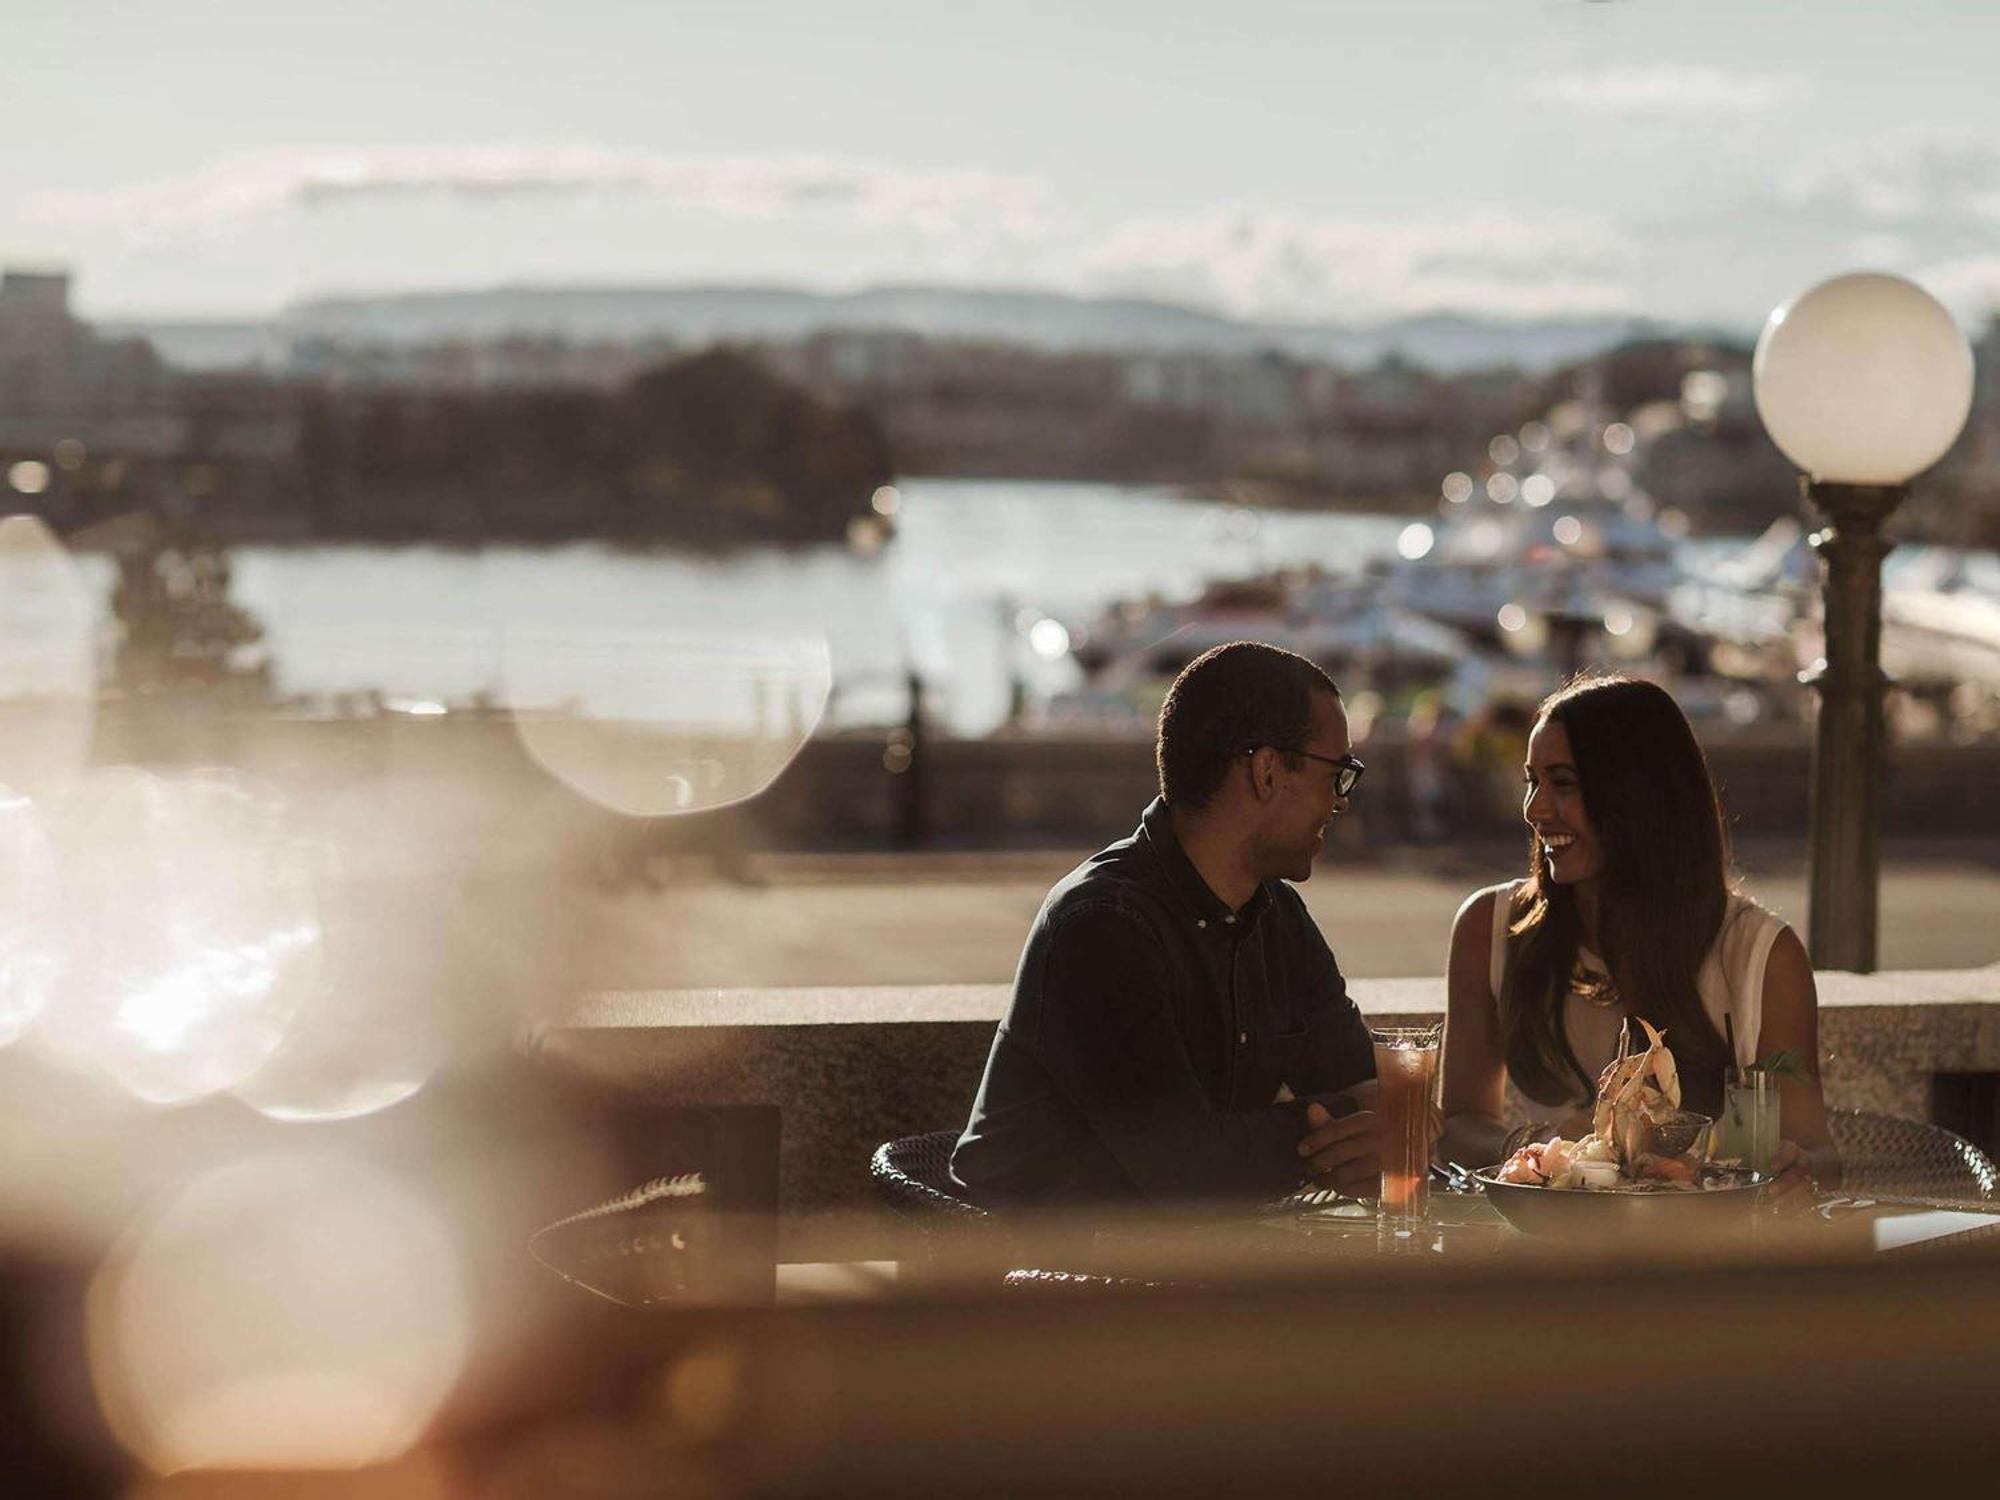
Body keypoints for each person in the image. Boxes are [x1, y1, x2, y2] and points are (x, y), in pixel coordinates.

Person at [951, 641, 1383, 1209]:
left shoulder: (1276, 914)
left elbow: (1371, 1085)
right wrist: (1343, 1127)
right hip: (1040, 1274)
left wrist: (1375, 1120)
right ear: (1268, 772)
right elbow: (1184, 1169)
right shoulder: (1103, 927)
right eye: (1337, 774)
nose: (1340, 801)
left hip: (1181, 1261)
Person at [1439, 675, 1840, 1197]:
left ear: (1638, 794)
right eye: (1531, 781)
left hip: (1700, 1258)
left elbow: (1820, 1152)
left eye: (1563, 783)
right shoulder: (1489, 928)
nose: (1534, 810)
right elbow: (1458, 1125)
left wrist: (1798, 1173)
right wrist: (1541, 1146)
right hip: (1545, 1248)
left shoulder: (1760, 955)